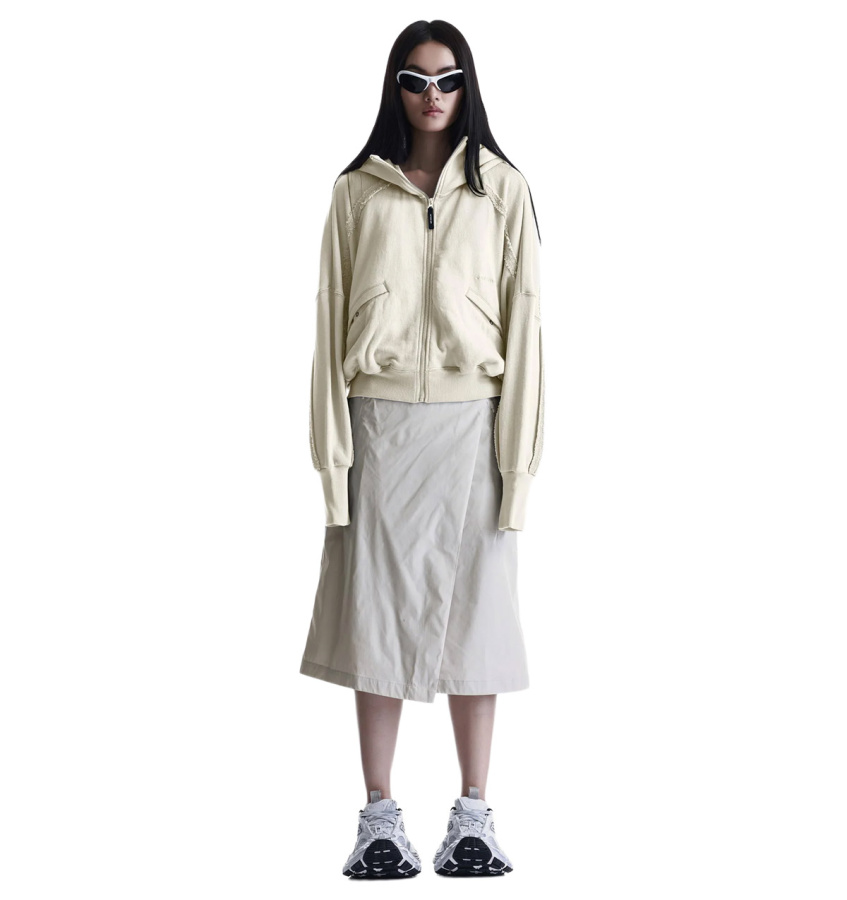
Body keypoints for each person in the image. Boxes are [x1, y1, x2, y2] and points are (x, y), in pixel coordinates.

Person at [299, 20, 545, 878]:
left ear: (466, 85)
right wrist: (333, 464)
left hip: (474, 423)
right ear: (393, 87)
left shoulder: (502, 189)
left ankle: (473, 816)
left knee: (479, 617)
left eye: (446, 78)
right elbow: (328, 322)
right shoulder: (355, 192)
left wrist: (517, 470)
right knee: (374, 618)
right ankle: (378, 819)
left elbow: (527, 329)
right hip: (377, 426)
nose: (431, 94)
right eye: (413, 79)